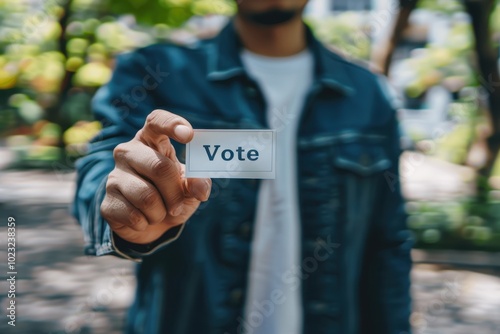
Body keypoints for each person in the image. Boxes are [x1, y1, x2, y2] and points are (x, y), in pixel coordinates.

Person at [73, 1, 413, 333]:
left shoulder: (368, 96)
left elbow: (388, 244)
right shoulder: (155, 73)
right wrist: (126, 211)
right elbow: (103, 167)